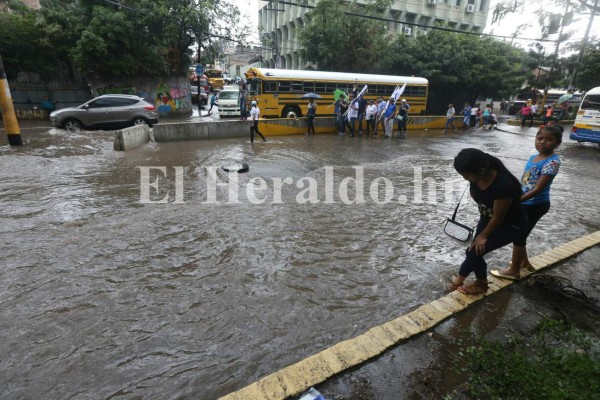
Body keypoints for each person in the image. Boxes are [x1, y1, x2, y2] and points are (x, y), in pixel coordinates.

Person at [451, 148, 528, 295]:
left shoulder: (503, 185)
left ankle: (481, 284)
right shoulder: (477, 179)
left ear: (481, 170)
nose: (464, 179)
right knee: (472, 251)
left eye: (466, 175)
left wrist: (484, 236)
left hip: (512, 224)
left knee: (475, 252)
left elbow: (499, 217)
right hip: (488, 219)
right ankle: (458, 282)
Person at [491, 125, 563, 280]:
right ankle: (524, 263)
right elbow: (525, 181)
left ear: (558, 143)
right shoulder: (533, 158)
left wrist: (515, 201)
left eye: (549, 140)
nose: (543, 142)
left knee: (518, 235)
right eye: (540, 138)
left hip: (536, 204)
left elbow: (537, 189)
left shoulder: (552, 162)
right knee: (521, 233)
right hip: (525, 202)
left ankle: (513, 271)